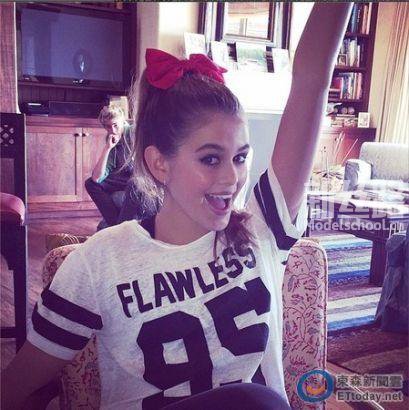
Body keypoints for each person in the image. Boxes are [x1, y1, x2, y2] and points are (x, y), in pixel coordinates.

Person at [2, 3, 352, 409]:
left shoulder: (261, 231)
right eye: (210, 158)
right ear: (159, 164)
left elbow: (312, 81)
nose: (232, 178)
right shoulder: (99, 262)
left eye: (240, 157)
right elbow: (17, 387)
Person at [85, 105, 156, 227]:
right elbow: (97, 178)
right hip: (125, 178)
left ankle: (121, 227)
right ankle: (116, 226)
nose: (112, 130)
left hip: (143, 177)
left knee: (134, 182)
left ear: (122, 121)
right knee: (91, 183)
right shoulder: (111, 139)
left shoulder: (135, 132)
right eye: (108, 126)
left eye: (115, 125)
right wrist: (108, 148)